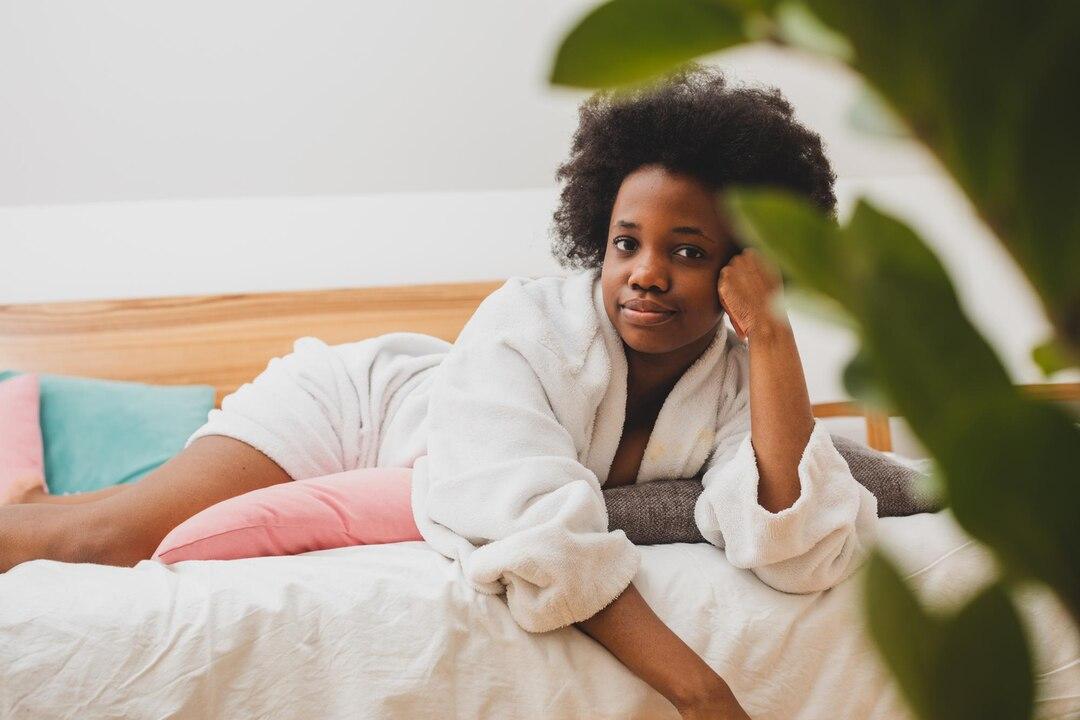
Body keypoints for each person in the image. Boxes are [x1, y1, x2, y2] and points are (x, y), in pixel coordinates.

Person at [0, 64, 879, 719]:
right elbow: (540, 534)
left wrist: (772, 333)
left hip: (435, 419)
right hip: (355, 412)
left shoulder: (733, 377)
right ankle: (38, 512)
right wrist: (699, 692)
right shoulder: (525, 324)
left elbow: (797, 543)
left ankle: (42, 500)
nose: (645, 273)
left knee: (104, 520)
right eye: (625, 242)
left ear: (743, 265)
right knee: (99, 539)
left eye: (686, 250)